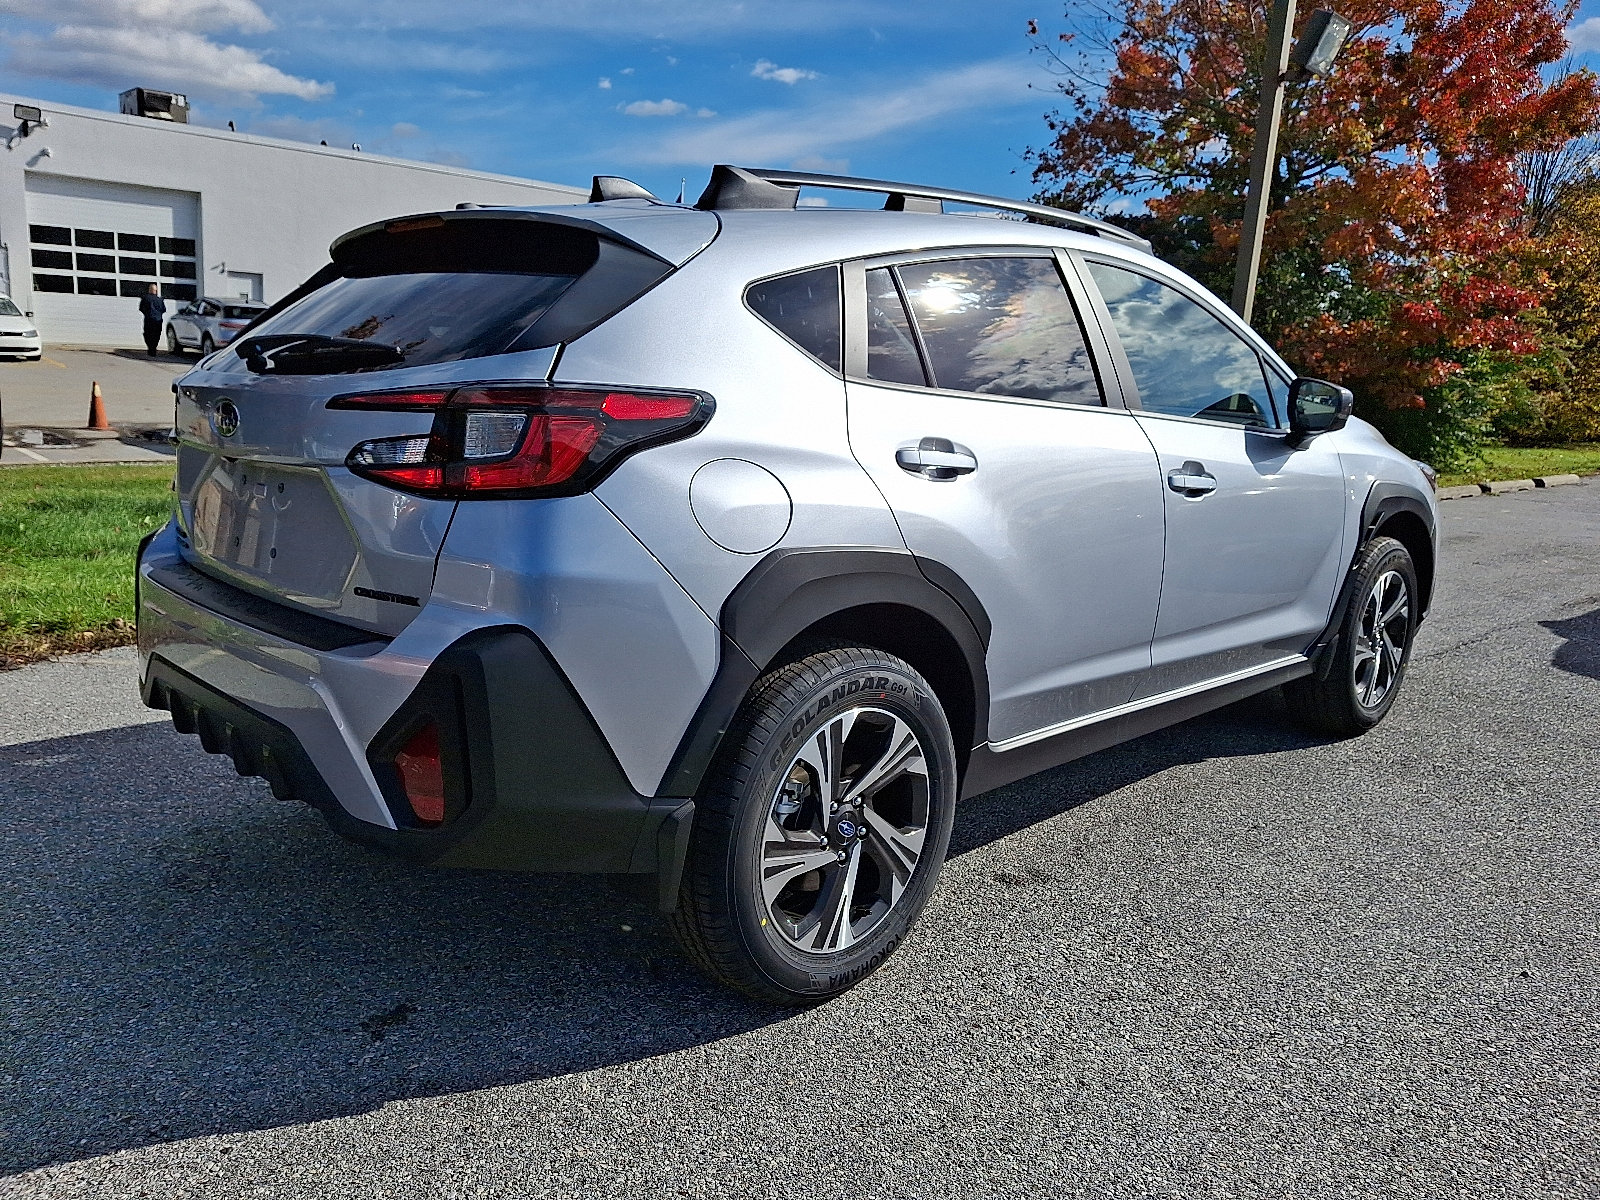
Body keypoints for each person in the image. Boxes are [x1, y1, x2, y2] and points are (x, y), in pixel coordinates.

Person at [138, 284, 166, 356]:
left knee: (148, 334)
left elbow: (141, 308)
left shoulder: (145, 298)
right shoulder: (160, 300)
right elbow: (163, 309)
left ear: (149, 290)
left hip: (149, 319)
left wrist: (147, 313)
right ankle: (153, 348)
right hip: (158, 320)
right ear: (156, 291)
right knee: (156, 335)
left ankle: (150, 348)